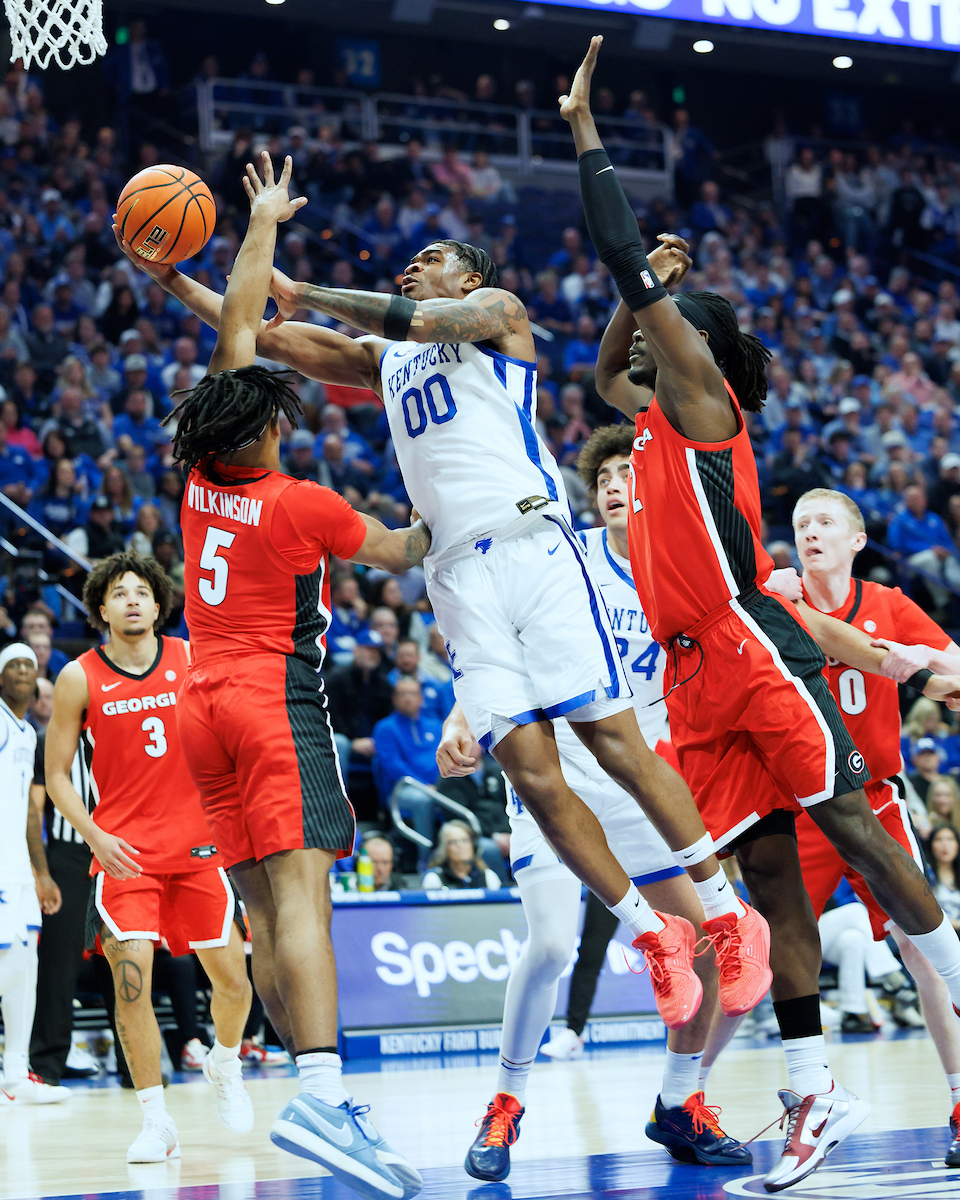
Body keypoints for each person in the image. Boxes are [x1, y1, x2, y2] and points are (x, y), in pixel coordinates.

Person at [125, 159, 775, 1046]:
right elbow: (262, 338)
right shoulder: (382, 361)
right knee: (531, 775)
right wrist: (174, 279)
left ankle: (725, 914)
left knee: (614, 741)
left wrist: (303, 287)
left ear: (471, 277)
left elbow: (420, 320)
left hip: (534, 546)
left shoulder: (498, 317)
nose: (413, 266)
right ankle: (651, 935)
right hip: (456, 576)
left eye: (431, 257)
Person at [562, 35, 960, 1193]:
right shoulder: (645, 413)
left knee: (864, 838)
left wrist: (587, 136)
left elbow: (632, 288)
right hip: (690, 676)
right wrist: (641, 297)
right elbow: (601, 377)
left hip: (748, 643)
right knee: (769, 885)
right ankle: (813, 1090)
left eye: (668, 324)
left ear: (700, 347)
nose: (651, 338)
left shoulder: (705, 403)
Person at [117, 153, 425, 1199]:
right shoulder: (305, 506)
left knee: (261, 909)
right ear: (270, 424)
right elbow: (401, 553)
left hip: (199, 701)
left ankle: (310, 1088)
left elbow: (239, 331)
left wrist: (252, 232)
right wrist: (453, 510)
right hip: (269, 702)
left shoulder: (202, 474)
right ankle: (328, 1100)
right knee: (304, 903)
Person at [440, 423, 751, 1181]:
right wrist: (460, 717)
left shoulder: (686, 568)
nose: (614, 486)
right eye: (603, 477)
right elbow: (496, 644)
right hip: (557, 778)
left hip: (640, 787)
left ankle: (679, 1100)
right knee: (551, 945)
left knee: (712, 945)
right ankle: (505, 1104)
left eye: (626, 473)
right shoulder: (564, 553)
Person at [45, 553, 256, 1161]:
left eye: (141, 591)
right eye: (119, 593)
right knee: (131, 983)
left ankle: (224, 1062)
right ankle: (156, 1121)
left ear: (159, 604)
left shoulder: (191, 657)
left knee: (233, 982)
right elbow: (56, 775)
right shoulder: (79, 677)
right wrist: (95, 836)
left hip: (199, 847)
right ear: (101, 608)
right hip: (124, 855)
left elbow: (232, 734)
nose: (132, 600)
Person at [0, 643, 67, 1104]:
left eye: (29, 663)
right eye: (13, 664)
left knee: (27, 965)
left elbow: (29, 810)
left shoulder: (28, 732)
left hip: (19, 867)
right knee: (8, 964)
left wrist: (41, 873)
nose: (24, 670)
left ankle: (15, 1074)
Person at [373, 677, 443, 851]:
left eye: (412, 693)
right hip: (402, 789)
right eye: (402, 694)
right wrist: (425, 786)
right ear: (394, 699)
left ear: (421, 698)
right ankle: (426, 857)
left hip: (437, 785)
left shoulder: (436, 726)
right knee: (422, 799)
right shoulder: (385, 728)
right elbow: (394, 767)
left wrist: (441, 784)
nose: (408, 698)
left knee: (459, 790)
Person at [420, 820, 500, 889]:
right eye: (453, 842)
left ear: (473, 845)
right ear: (444, 848)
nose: (460, 846)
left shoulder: (487, 876)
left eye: (465, 840)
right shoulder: (434, 878)